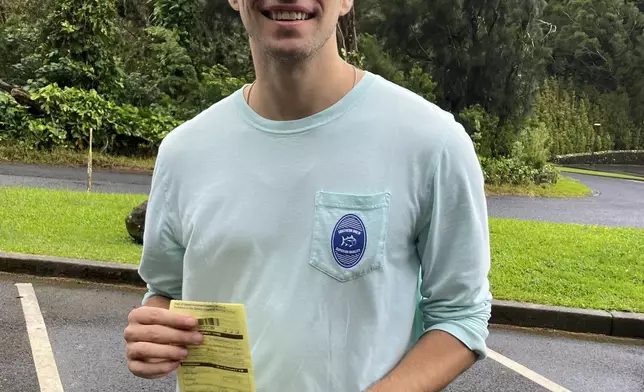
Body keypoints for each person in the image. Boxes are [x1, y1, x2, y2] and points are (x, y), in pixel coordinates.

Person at [123, 0, 493, 391]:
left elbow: (461, 314)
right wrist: (153, 328)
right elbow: (165, 292)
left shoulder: (431, 142)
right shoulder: (183, 152)